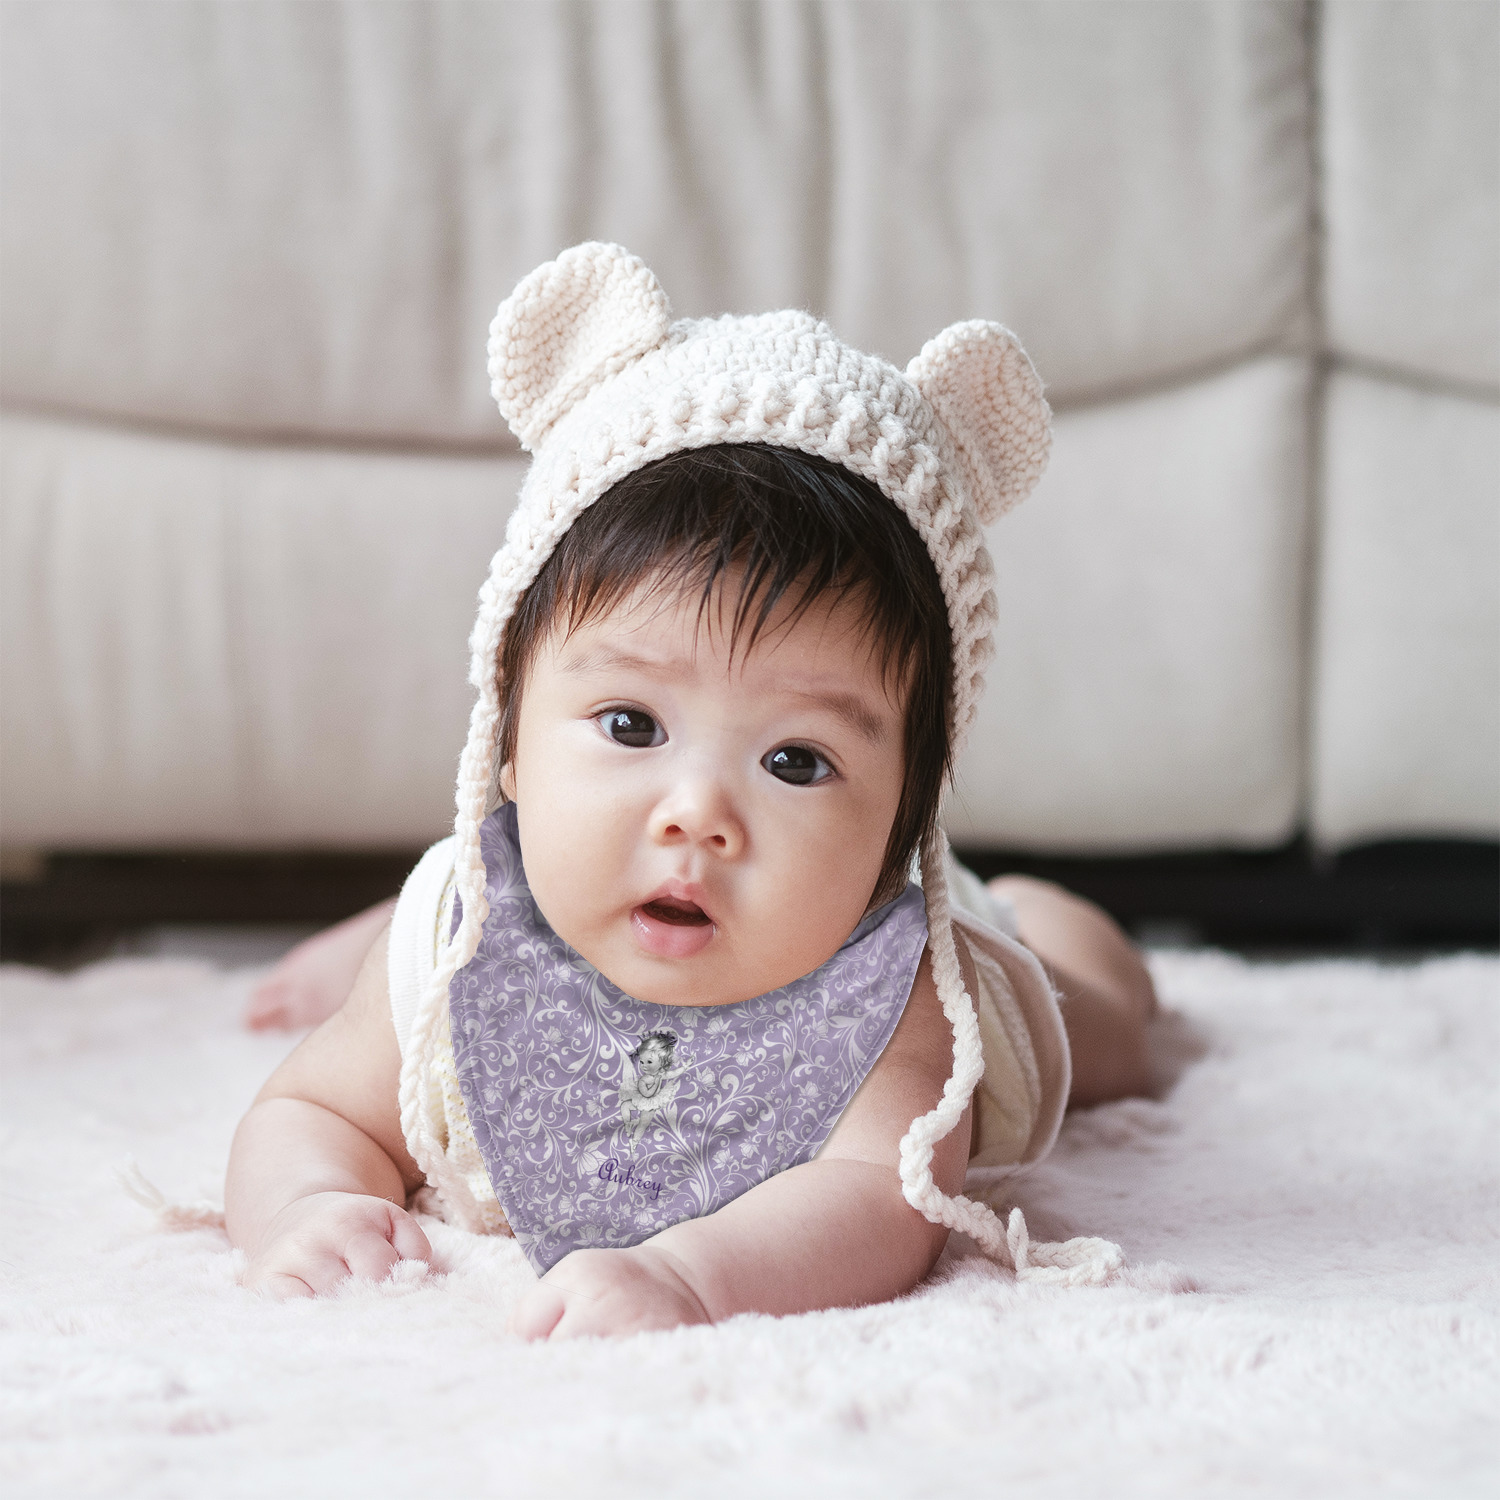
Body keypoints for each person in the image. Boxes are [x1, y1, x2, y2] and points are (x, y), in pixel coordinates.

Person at [225, 242, 1157, 1338]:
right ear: (508, 739)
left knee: (1112, 1035)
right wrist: (309, 1201)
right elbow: (311, 1108)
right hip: (532, 879)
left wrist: (690, 1277)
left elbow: (881, 1198)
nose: (697, 815)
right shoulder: (464, 943)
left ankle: (1050, 917)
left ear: (904, 817)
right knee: (417, 949)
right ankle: (377, 925)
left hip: (978, 945)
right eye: (631, 726)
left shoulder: (905, 1000)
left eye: (796, 762)